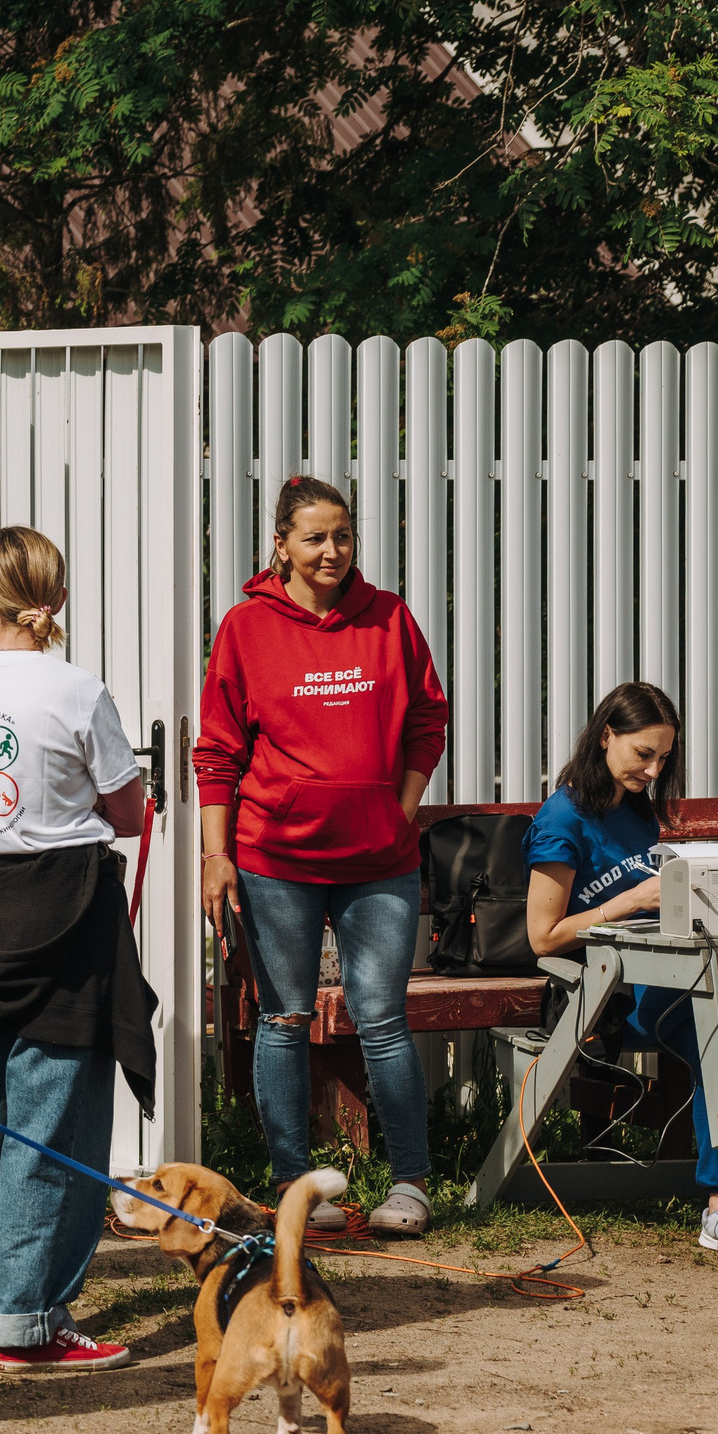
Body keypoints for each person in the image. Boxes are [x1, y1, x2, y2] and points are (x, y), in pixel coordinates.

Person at [0, 526, 155, 1372]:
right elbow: (128, 814)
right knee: (52, 1121)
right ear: (55, 601)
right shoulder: (78, 690)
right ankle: (31, 1319)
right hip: (62, 905)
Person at [195, 475, 449, 1237]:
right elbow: (216, 753)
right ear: (281, 544)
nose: (332, 550)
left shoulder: (390, 619)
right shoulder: (246, 628)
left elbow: (427, 720)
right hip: (275, 855)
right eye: (315, 537)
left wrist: (399, 811)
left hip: (379, 860)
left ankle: (410, 1183)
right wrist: (217, 855)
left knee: (382, 1020)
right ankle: (298, 1188)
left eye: (343, 535)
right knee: (284, 1019)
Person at [524, 683, 718, 1252]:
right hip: (605, 989)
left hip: (663, 966)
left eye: (664, 757)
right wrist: (630, 901)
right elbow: (544, 937)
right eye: (643, 754)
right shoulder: (562, 819)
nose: (653, 769)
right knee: (714, 1017)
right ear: (606, 736)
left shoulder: (636, 812)